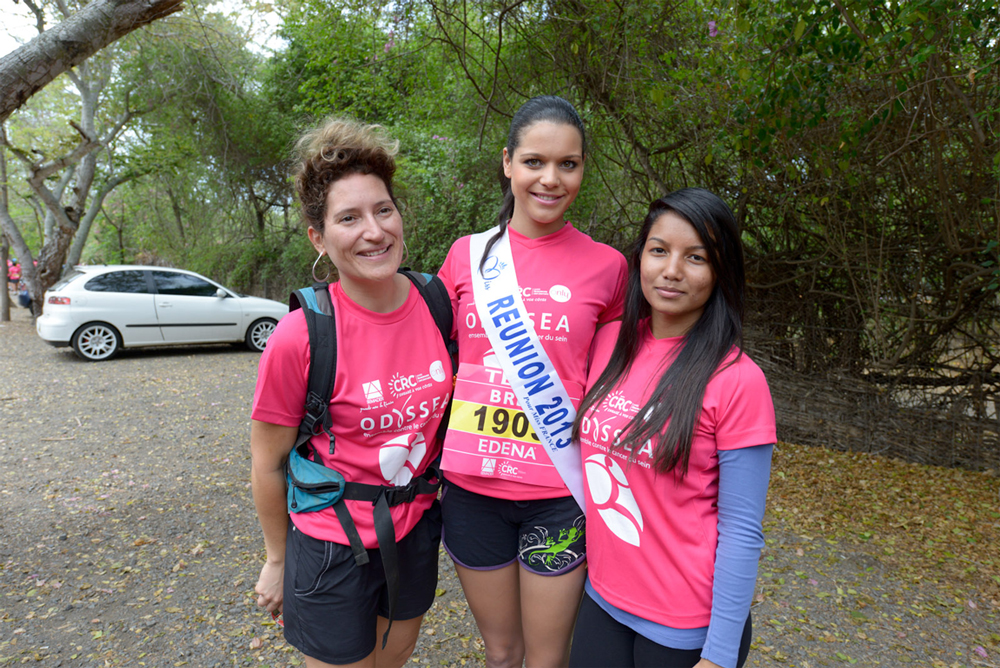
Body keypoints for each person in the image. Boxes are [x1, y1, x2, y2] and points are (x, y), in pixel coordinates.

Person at [250, 118, 452, 668]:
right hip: (330, 545)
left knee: (397, 655)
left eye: (383, 210)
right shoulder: (300, 336)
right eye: (349, 218)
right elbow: (267, 463)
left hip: (414, 528)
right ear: (318, 238)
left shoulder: (437, 303)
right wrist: (275, 558)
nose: (374, 231)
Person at [437, 95, 628, 667]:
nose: (550, 179)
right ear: (507, 164)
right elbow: (433, 364)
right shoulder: (466, 257)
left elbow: (616, 386)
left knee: (546, 659)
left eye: (567, 164)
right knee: (501, 653)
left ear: (582, 170)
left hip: (557, 496)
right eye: (534, 162)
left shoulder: (610, 267)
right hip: (472, 492)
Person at [567, 188, 776, 668]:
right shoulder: (609, 345)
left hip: (685, 624)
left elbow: (742, 530)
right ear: (640, 258)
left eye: (695, 257)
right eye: (659, 250)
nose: (672, 270)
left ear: (720, 271)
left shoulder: (738, 380)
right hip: (602, 598)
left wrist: (719, 655)